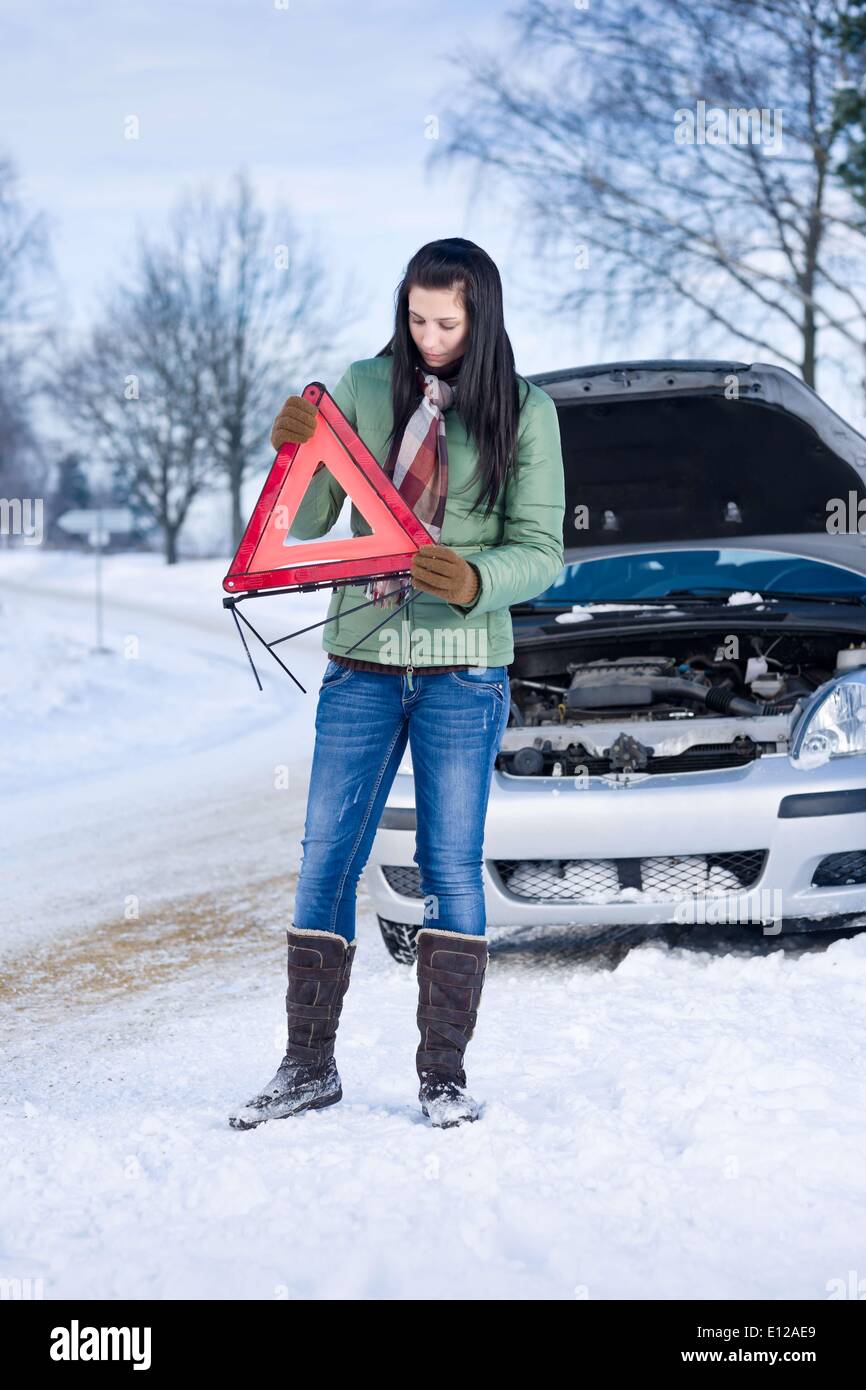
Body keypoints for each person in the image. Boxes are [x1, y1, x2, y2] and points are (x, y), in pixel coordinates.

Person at [228, 237, 565, 1131]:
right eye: (416, 318)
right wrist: (291, 455)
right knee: (325, 857)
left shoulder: (524, 412)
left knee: (451, 864)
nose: (429, 336)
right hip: (362, 664)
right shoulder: (364, 386)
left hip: (464, 669)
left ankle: (443, 1076)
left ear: (480, 316)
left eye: (447, 322)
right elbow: (306, 522)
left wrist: (477, 579)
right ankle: (307, 1066)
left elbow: (543, 552)